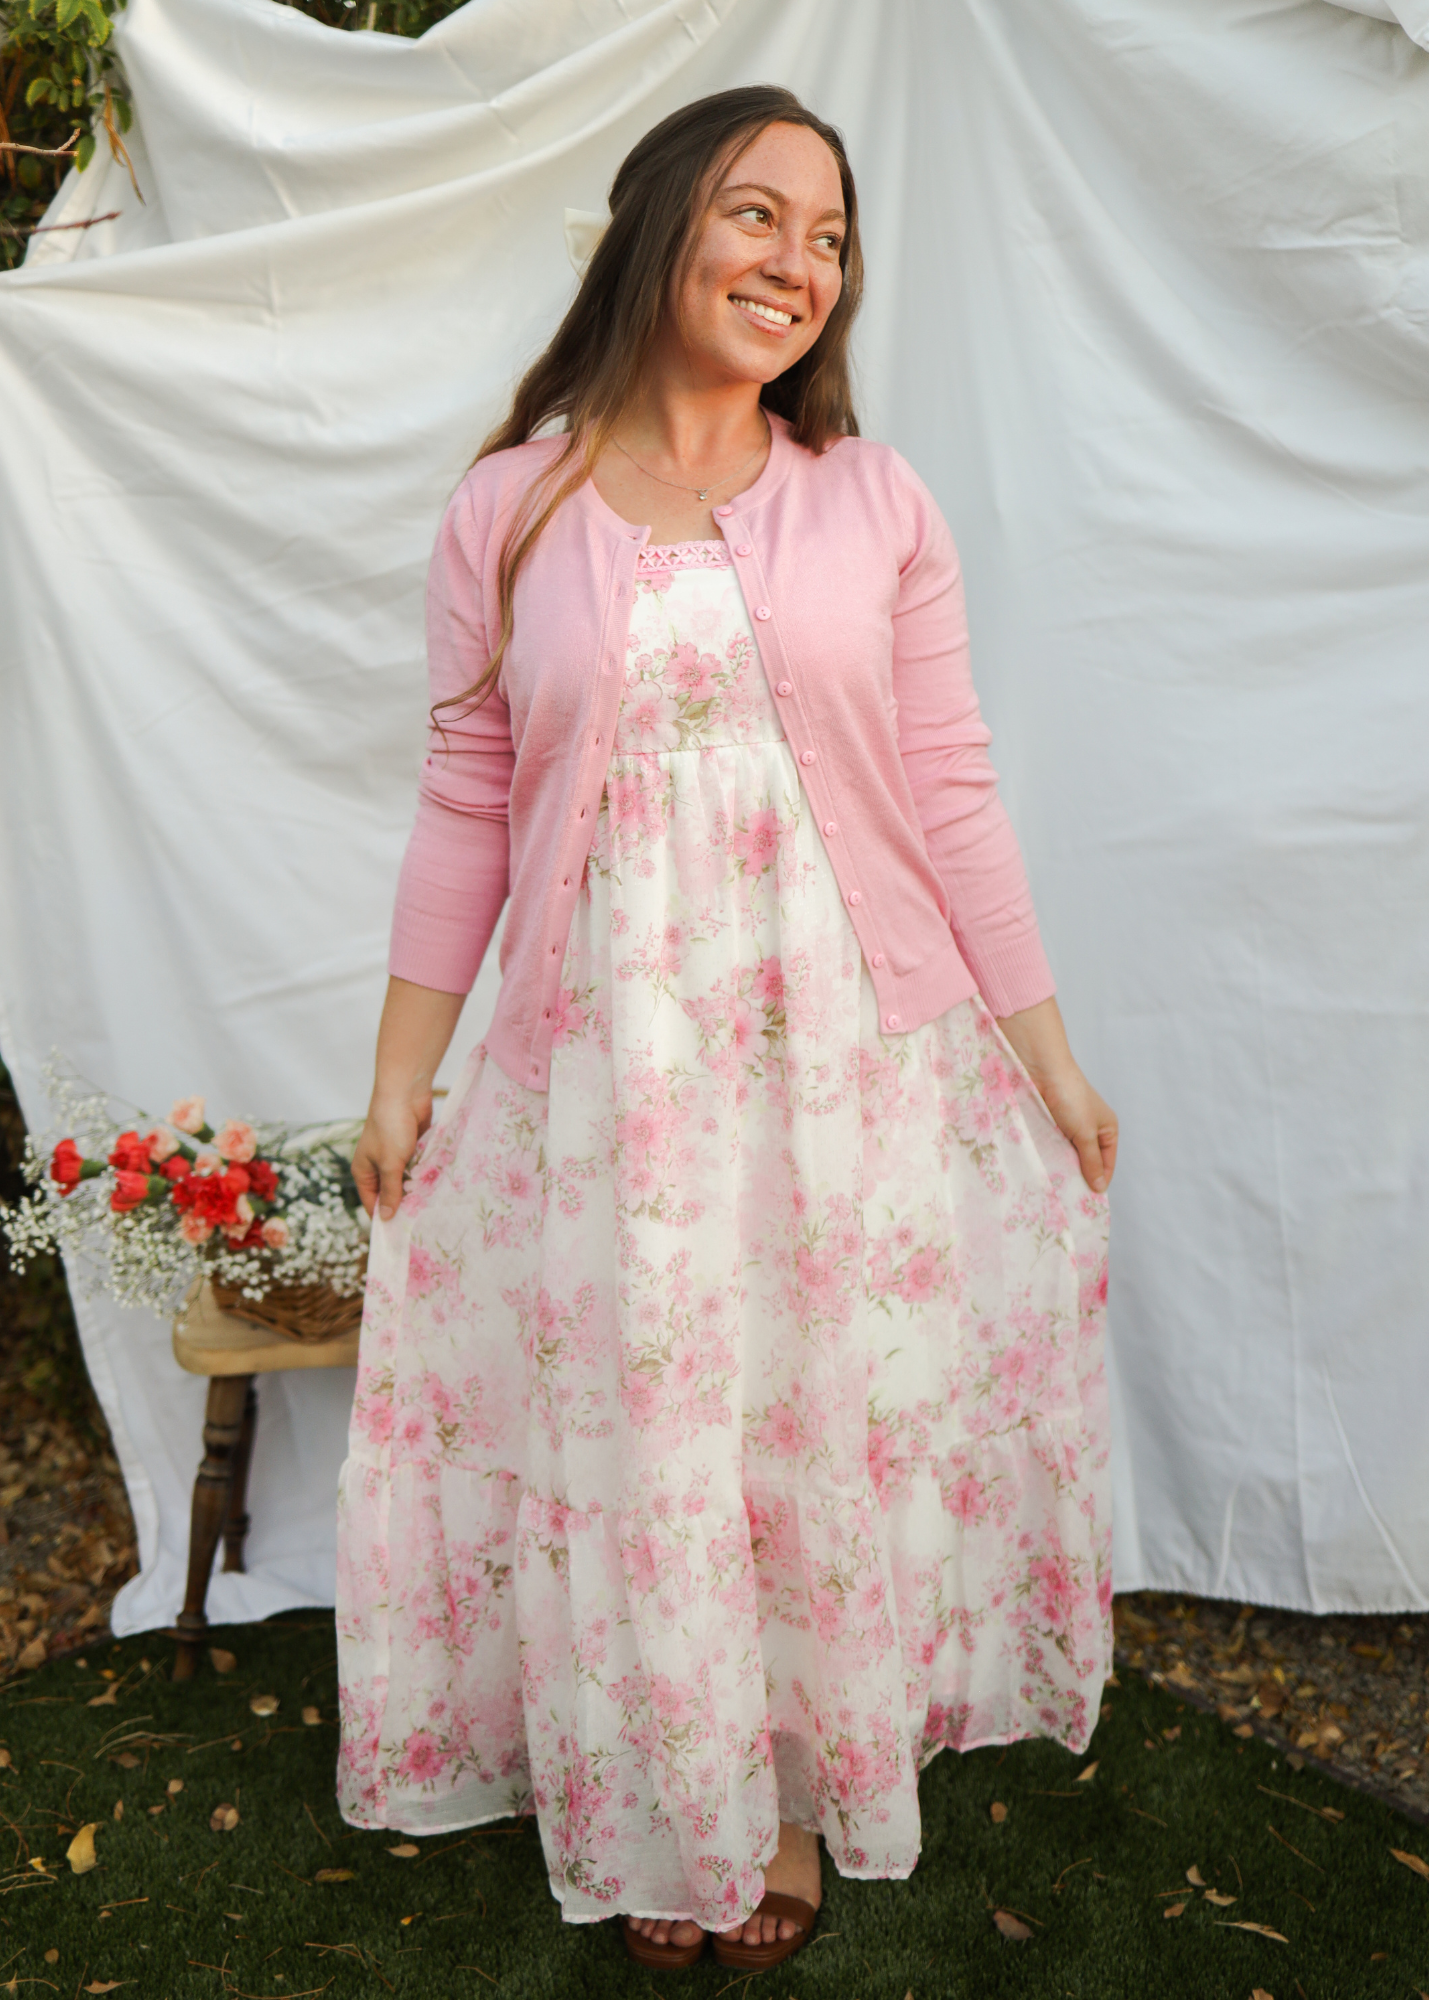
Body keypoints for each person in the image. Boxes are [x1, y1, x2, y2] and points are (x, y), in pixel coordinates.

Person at [335, 83, 1117, 1975]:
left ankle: (774, 1799)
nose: (800, 265)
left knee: (804, 1415)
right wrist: (402, 1072)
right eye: (762, 217)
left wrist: (1049, 1052)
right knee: (647, 1421)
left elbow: (948, 782)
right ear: (666, 220)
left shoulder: (874, 502)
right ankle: (654, 1786)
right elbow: (464, 793)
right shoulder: (505, 508)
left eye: (831, 239)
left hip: (842, 1058)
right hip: (619, 1070)